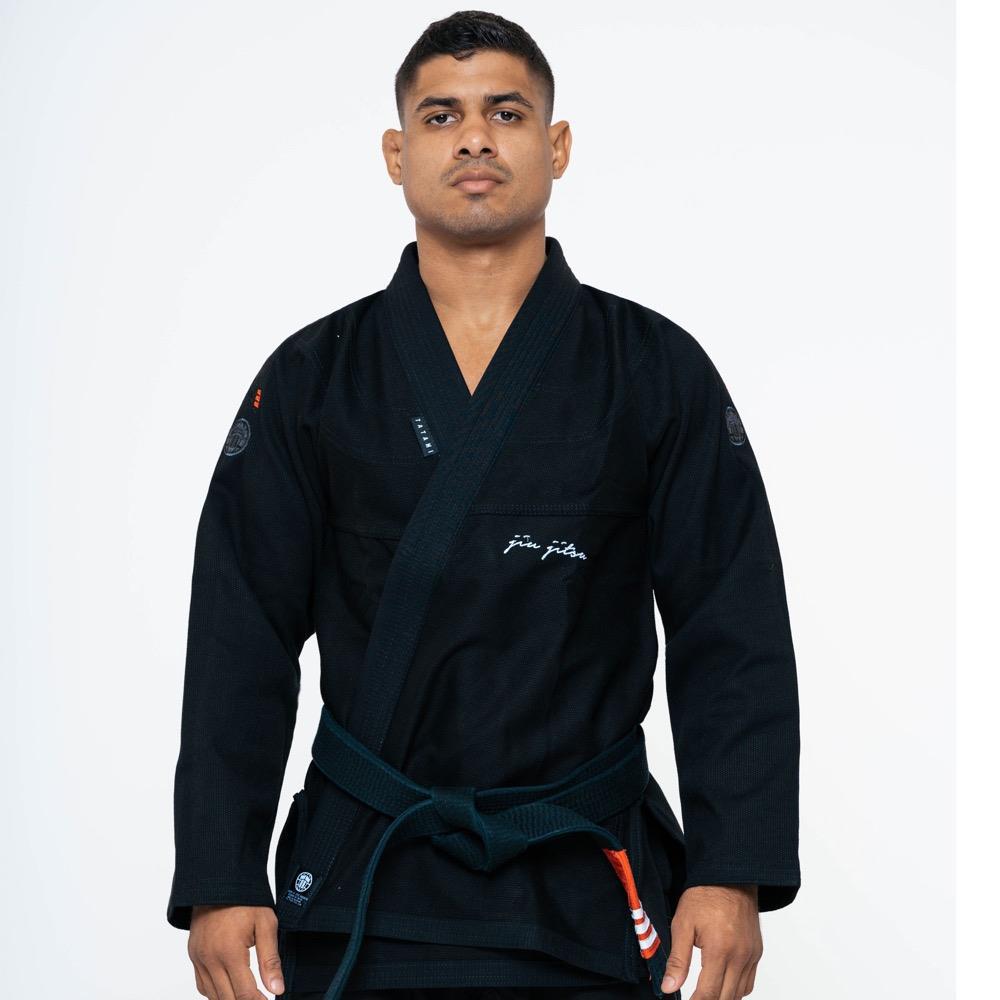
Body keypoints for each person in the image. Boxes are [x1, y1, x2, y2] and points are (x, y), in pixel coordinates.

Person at [166, 10, 801, 1000]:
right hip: (367, 880)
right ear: (397, 154)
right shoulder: (313, 378)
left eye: (505, 113)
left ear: (556, 145)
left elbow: (733, 627)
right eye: (441, 116)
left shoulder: (653, 369)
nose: (473, 138)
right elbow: (237, 636)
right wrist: (221, 872)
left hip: (585, 875)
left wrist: (731, 870)